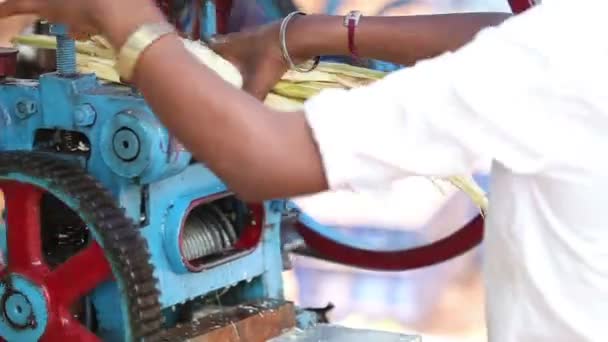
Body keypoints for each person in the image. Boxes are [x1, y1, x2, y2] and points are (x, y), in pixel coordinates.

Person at [0, 1, 607, 341]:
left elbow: (266, 160)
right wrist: (305, 35)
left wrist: (122, 21)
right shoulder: (576, 39)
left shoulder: (564, 59)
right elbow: (520, 34)